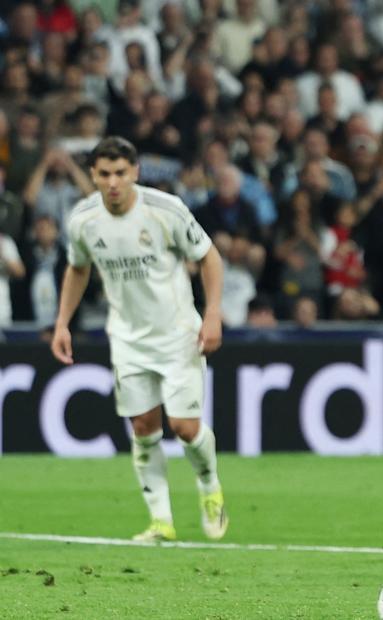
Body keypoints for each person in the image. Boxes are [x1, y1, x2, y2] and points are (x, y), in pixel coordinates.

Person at [50, 137, 229, 543]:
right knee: (144, 430)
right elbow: (77, 269)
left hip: (177, 333)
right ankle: (161, 521)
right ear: (93, 175)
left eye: (120, 173)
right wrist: (62, 323)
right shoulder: (83, 219)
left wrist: (213, 313)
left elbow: (209, 256)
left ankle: (209, 485)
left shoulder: (166, 210)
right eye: (104, 174)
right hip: (128, 339)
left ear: (135, 172)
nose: (113, 182)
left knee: (184, 428)